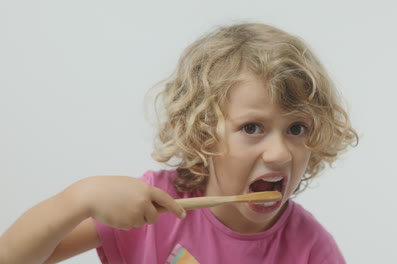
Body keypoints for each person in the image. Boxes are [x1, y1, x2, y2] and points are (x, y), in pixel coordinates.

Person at [0, 23, 358, 264]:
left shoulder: (311, 249)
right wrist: (81, 199)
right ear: (203, 133)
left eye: (296, 129)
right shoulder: (152, 209)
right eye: (252, 127)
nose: (279, 153)